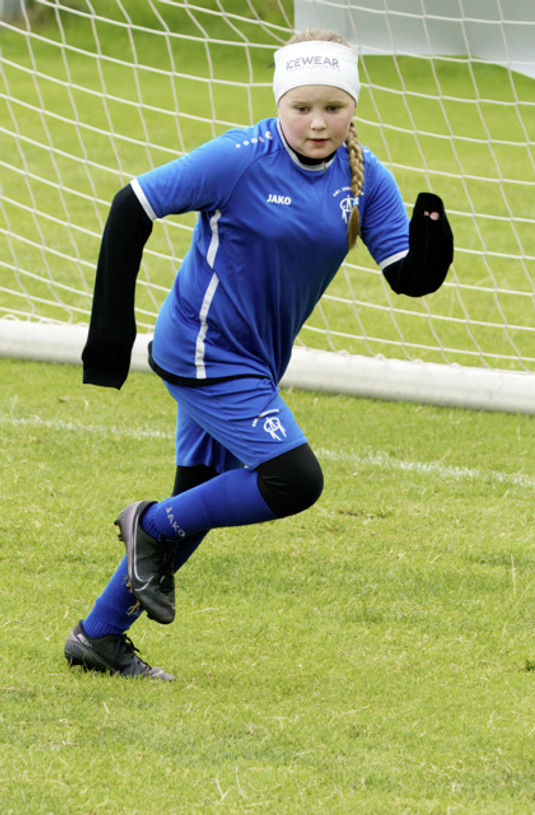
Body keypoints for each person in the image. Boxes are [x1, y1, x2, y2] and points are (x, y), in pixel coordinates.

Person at [64, 28, 453, 680]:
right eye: (302, 107)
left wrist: (433, 247)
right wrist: (110, 334)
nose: (317, 122)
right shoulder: (239, 157)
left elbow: (405, 276)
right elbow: (132, 206)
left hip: (256, 361)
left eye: (333, 107)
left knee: (199, 500)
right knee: (294, 480)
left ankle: (99, 636)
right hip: (203, 351)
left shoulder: (367, 179)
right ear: (279, 104)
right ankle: (147, 524)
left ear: (353, 106)